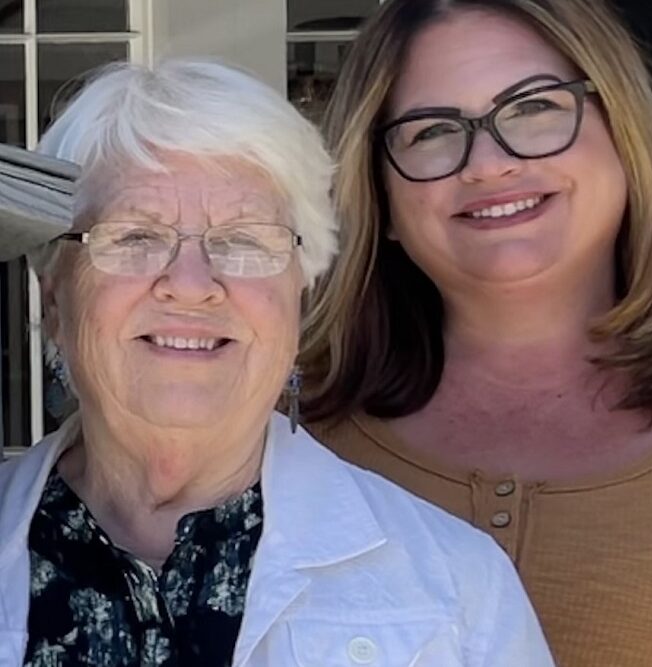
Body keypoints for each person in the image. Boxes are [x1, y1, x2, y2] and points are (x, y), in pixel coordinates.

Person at [0, 59, 553, 667]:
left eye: (243, 241)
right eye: (135, 237)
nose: (191, 285)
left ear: (300, 292)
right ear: (55, 296)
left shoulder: (457, 591)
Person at [301, 0, 652, 665]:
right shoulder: (284, 429)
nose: (488, 163)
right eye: (431, 130)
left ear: (625, 133)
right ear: (381, 192)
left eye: (535, 107)